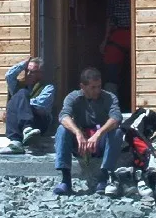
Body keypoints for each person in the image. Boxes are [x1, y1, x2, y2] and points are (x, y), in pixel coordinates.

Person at [52, 67, 124, 197]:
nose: (97, 90)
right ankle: (65, 180)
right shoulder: (73, 97)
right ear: (82, 86)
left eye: (99, 86)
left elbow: (116, 118)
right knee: (62, 130)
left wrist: (98, 134)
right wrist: (78, 133)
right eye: (93, 87)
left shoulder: (109, 97)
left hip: (99, 140)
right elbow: (63, 116)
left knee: (117, 132)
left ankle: (104, 176)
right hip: (81, 142)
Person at [0, 57, 55, 154]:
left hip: (38, 124)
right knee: (19, 95)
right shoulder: (19, 85)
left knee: (18, 97)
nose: (28, 74)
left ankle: (25, 130)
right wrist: (23, 64)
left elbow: (39, 105)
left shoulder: (48, 87)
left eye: (32, 72)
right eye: (27, 71)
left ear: (40, 73)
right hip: (21, 125)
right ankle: (16, 141)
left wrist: (15, 105)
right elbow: (9, 76)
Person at [100, 0, 131, 98]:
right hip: (118, 34)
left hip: (134, 34)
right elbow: (110, 18)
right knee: (111, 68)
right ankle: (110, 103)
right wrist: (105, 41)